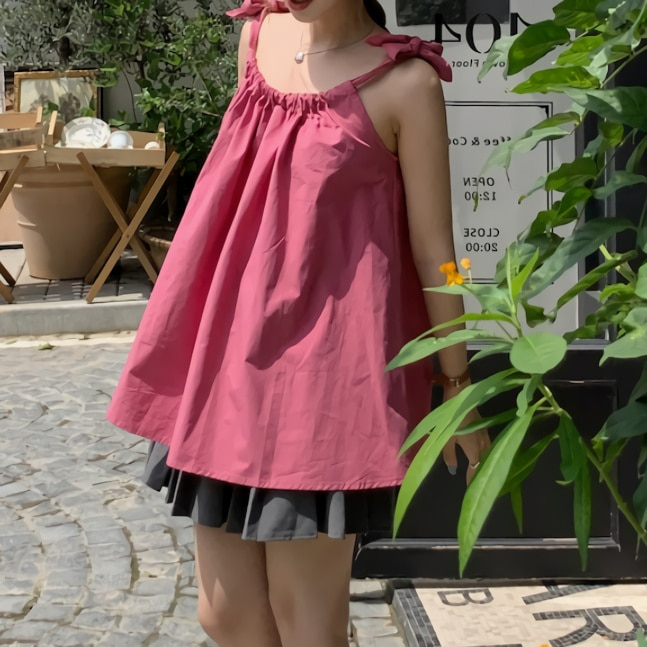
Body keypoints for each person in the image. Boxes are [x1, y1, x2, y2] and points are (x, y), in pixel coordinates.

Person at [107, 0, 490, 645]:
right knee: (224, 614)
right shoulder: (257, 38)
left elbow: (440, 253)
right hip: (228, 361)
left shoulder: (407, 85)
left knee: (306, 621)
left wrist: (458, 382)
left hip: (324, 383)